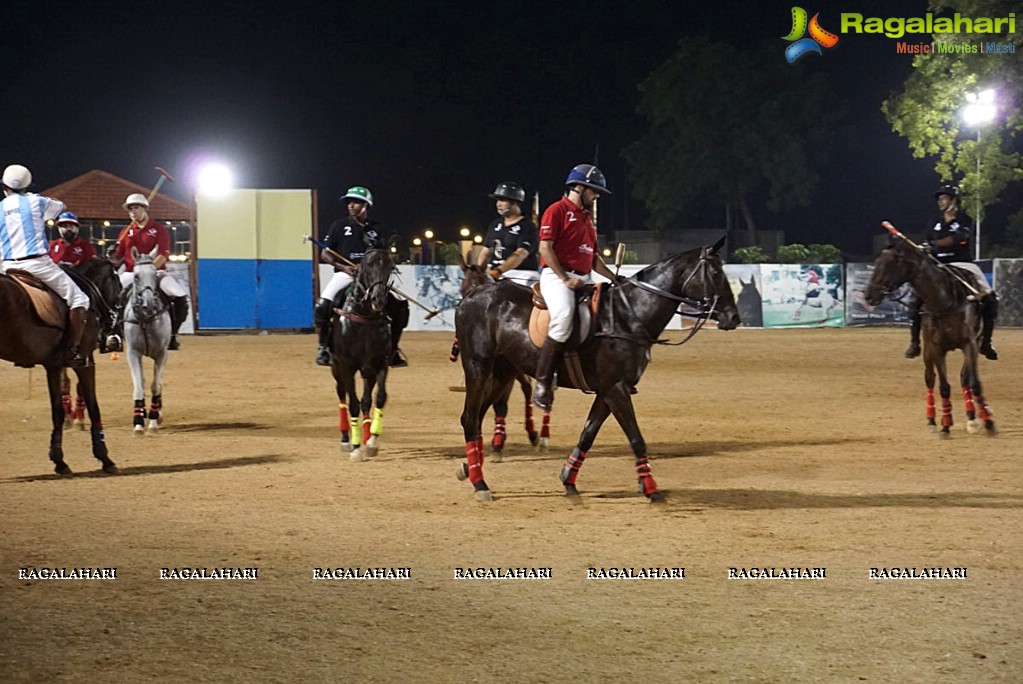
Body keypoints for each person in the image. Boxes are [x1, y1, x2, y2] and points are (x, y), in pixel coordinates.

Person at [533, 164, 620, 411]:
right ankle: (542, 382)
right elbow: (545, 249)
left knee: (608, 310)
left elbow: (593, 259)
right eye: (593, 190)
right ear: (579, 187)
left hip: (583, 277)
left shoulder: (586, 219)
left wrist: (614, 278)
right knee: (562, 317)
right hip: (555, 276)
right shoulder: (556, 210)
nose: (597, 195)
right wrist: (564, 278)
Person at [0, 164, 89, 366]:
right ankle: (72, 351)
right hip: (37, 265)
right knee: (79, 300)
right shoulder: (36, 201)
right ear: (27, 186)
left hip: (6, 266)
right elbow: (60, 207)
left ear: (4, 187)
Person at [314, 185, 409, 367]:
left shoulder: (378, 229)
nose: (351, 205)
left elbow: (384, 254)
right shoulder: (339, 226)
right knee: (323, 305)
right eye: (349, 202)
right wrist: (343, 266)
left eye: (356, 202)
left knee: (400, 306)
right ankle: (323, 347)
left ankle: (393, 350)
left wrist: (372, 269)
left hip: (372, 278)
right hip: (346, 274)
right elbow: (326, 254)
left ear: (366, 205)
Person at [905, 183, 998, 360]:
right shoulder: (934, 221)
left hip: (963, 263)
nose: (941, 201)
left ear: (954, 200)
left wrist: (934, 245)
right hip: (938, 264)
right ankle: (914, 343)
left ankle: (986, 343)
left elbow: (958, 239)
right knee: (915, 299)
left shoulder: (965, 219)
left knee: (990, 297)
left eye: (945, 198)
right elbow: (929, 240)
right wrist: (925, 248)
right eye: (939, 199)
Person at [107, 193, 190, 351]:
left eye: (136, 208)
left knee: (180, 296)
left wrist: (150, 270)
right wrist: (112, 255)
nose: (133, 212)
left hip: (157, 273)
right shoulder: (126, 232)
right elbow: (119, 259)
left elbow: (164, 254)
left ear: (145, 208)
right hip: (131, 274)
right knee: (112, 296)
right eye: (130, 209)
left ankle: (172, 334)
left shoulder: (158, 229)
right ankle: (114, 334)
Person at [476, 182, 540, 286]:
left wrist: (499, 271)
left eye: (502, 200)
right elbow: (485, 251)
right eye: (497, 200)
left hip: (522, 275)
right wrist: (479, 271)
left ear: (515, 201)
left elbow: (521, 254)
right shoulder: (495, 224)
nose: (498, 204)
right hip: (494, 274)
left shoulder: (528, 226)